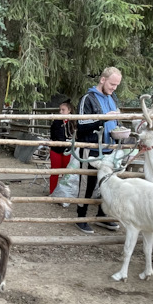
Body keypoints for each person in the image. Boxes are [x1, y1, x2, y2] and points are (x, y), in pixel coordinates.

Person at [74, 67, 122, 233]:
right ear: (103, 80)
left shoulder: (112, 98)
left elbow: (115, 120)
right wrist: (103, 119)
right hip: (91, 148)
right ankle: (81, 217)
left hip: (109, 148)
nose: (114, 88)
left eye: (116, 85)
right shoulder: (87, 98)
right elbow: (81, 125)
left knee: (107, 183)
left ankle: (102, 216)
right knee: (88, 184)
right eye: (112, 84)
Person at [48, 99, 74, 201]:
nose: (60, 112)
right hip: (56, 149)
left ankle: (64, 192)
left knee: (66, 172)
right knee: (55, 172)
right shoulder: (56, 122)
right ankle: (52, 192)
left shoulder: (73, 122)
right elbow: (53, 135)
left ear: (69, 110)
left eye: (63, 110)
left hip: (67, 150)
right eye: (60, 110)